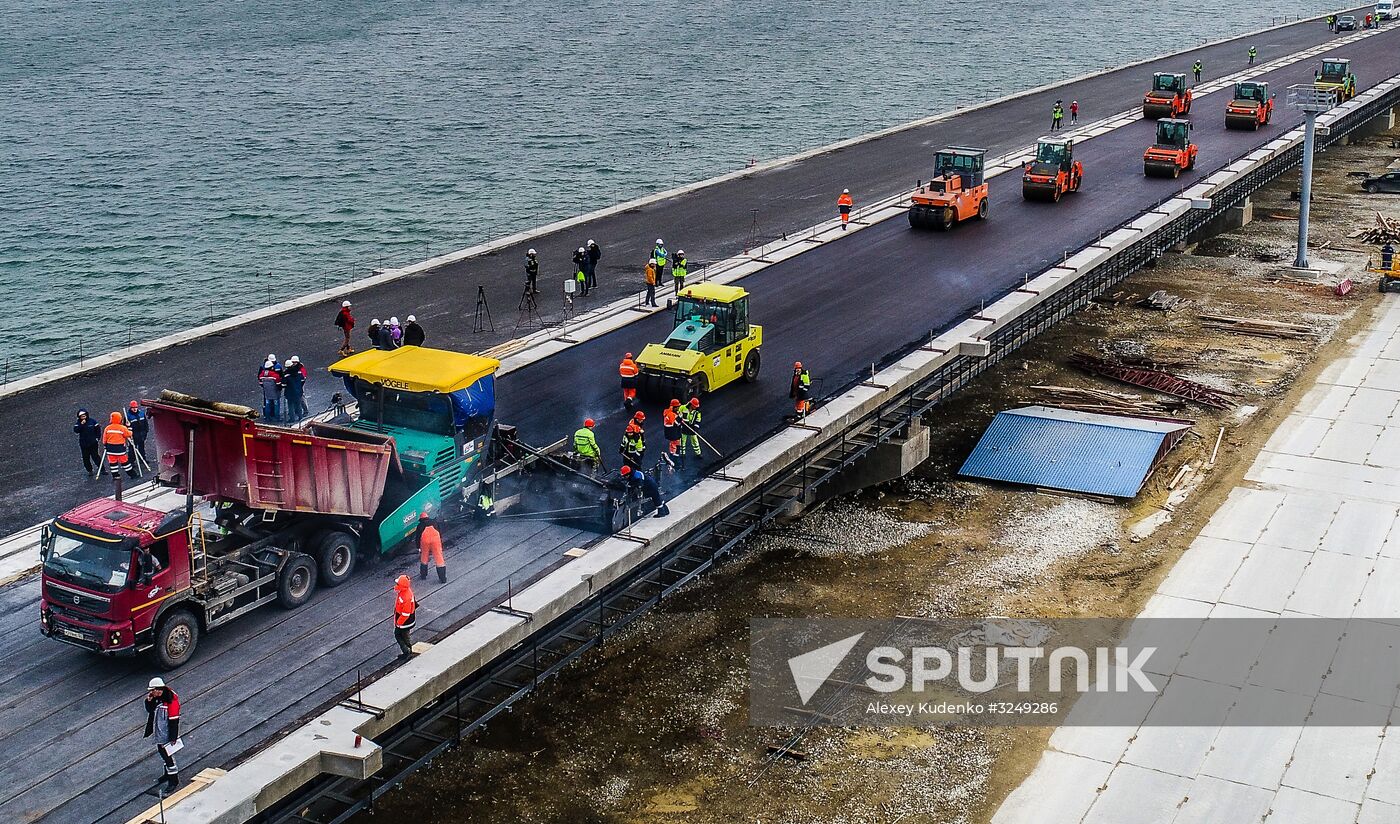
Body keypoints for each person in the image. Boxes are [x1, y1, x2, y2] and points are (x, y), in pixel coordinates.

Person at [143, 677, 182, 793]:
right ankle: (167, 774)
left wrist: (172, 738)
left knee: (168, 757)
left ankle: (173, 780)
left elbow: (174, 721)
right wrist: (148, 701)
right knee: (163, 754)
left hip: (166, 734)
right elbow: (150, 710)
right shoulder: (157, 698)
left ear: (158, 690)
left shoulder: (171, 701)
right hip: (160, 732)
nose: (151, 693)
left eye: (152, 690)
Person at [104, 410, 138, 489]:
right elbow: (129, 434)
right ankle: (132, 474)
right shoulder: (122, 428)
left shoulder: (107, 428)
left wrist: (105, 445)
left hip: (110, 448)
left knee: (113, 464)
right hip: (120, 449)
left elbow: (104, 439)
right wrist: (129, 427)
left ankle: (115, 476)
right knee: (125, 462)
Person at [416, 511, 445, 583]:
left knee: (424, 558)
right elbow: (440, 532)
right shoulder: (434, 522)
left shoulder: (420, 526)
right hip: (436, 541)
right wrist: (440, 542)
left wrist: (418, 547)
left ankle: (423, 575)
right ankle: (443, 578)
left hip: (425, 542)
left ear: (421, 519)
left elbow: (418, 538)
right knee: (439, 559)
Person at [393, 575, 417, 657]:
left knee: (400, 635)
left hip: (405, 622)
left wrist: (398, 624)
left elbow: (406, 614)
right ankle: (408, 651)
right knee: (404, 636)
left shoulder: (405, 597)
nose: (396, 585)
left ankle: (407, 652)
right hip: (404, 621)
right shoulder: (405, 592)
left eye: (398, 584)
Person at [74, 409, 101, 478]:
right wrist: (81, 425)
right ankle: (89, 470)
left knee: (96, 456)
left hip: (93, 443)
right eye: (82, 416)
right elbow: (76, 430)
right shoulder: (78, 423)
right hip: (84, 444)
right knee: (86, 458)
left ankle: (102, 468)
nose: (83, 417)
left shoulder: (92, 421)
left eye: (84, 416)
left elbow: (98, 429)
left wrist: (97, 438)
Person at [283, 356, 309, 421]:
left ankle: (293, 417)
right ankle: (300, 416)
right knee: (298, 403)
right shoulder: (299, 371)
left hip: (290, 392)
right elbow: (302, 379)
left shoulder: (286, 374)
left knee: (291, 405)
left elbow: (284, 384)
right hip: (298, 390)